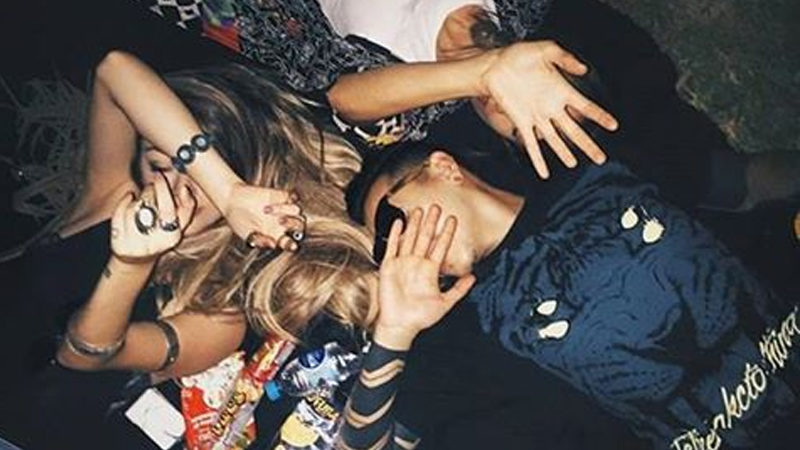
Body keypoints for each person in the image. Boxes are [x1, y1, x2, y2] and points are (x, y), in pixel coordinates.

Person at [337, 120, 799, 448]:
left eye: (392, 222)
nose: (400, 247)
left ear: (444, 168)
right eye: (384, 250)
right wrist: (394, 332)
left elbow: (744, 182)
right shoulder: (455, 330)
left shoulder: (591, 167)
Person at [0, 50, 371, 449]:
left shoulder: (219, 311)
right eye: (160, 167)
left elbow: (83, 355)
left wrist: (131, 264)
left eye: (198, 182)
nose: (177, 190)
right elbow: (113, 69)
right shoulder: (112, 199)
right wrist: (225, 191)